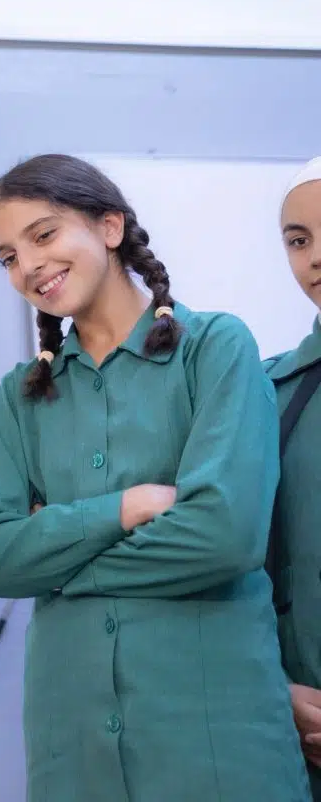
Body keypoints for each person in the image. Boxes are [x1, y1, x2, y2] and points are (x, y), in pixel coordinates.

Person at [0, 153, 309, 801]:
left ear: (110, 227)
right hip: (73, 750)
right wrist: (123, 510)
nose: (28, 265)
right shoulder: (21, 397)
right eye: (8, 256)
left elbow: (224, 537)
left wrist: (57, 562)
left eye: (43, 234)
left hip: (217, 746)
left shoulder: (216, 349)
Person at [270, 158, 321, 799]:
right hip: (293, 746)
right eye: (298, 239)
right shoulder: (263, 393)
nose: (315, 258)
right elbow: (230, 572)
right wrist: (273, 690)